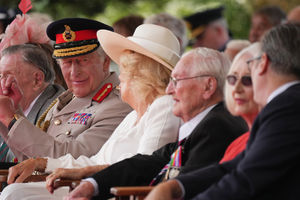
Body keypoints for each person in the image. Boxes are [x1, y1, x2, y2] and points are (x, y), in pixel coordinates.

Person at [0, 24, 183, 200]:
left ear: (143, 75)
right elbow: (95, 160)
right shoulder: (134, 114)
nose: (120, 76)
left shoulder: (162, 106)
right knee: (15, 192)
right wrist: (44, 163)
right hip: (96, 185)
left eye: (127, 70)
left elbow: (144, 169)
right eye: (67, 62)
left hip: (113, 191)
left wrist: (88, 179)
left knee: (15, 194)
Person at [63, 47, 248, 200]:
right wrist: (92, 184)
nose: (169, 89)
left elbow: (188, 188)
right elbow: (149, 162)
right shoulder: (206, 124)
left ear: (208, 86)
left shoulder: (217, 127)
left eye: (177, 81)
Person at [146, 23, 300, 200]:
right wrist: (178, 186)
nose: (237, 88)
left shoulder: (288, 106)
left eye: (249, 74)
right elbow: (234, 166)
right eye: (232, 78)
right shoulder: (287, 104)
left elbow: (246, 180)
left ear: (262, 63)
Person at [0, 18, 132, 162]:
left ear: (105, 62)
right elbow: (30, 159)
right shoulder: (65, 100)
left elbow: (69, 159)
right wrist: (11, 112)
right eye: (67, 63)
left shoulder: (118, 106)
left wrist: (11, 118)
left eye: (83, 61)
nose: (74, 72)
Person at [0, 44, 65, 163]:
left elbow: (44, 159)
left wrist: (9, 116)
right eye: (0, 76)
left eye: (7, 76)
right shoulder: (8, 105)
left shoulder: (59, 108)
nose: (1, 83)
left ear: (37, 80)